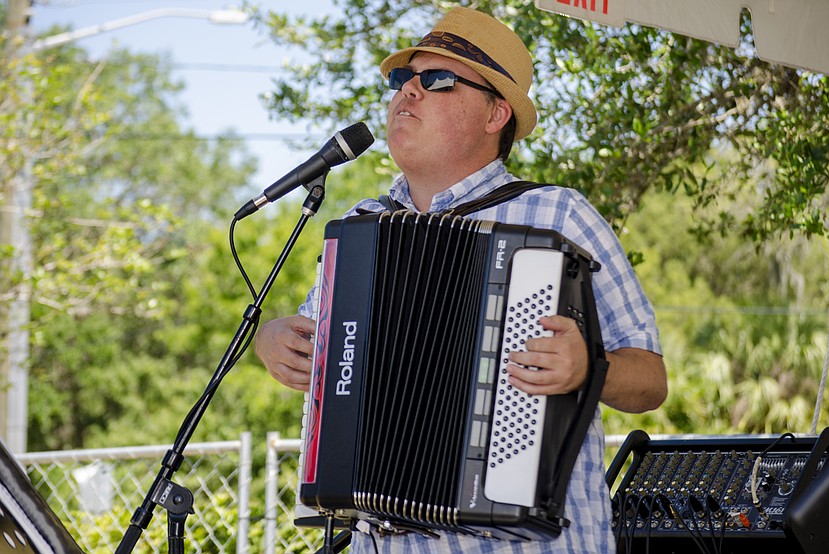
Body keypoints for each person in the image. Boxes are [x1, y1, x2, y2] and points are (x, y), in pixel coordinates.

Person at [255, 6, 667, 553]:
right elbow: (319, 347)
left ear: (497, 114)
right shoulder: (358, 230)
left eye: (438, 80)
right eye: (404, 79)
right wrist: (273, 342)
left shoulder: (557, 216)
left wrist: (590, 367)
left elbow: (651, 381)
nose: (408, 92)